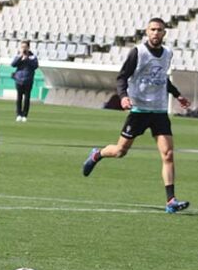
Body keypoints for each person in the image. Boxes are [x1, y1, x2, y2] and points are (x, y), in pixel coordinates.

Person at [81, 17, 191, 213]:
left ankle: (171, 200)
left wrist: (177, 95)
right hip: (138, 110)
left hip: (159, 111)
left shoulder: (167, 54)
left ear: (164, 33)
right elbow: (122, 77)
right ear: (147, 32)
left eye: (159, 30)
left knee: (168, 154)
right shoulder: (138, 52)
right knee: (120, 151)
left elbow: (162, 78)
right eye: (153, 29)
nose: (156, 33)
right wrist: (123, 97)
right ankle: (98, 154)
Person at [11, 40, 39, 122]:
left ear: (28, 47)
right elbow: (13, 64)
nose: (23, 48)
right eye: (22, 47)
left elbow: (35, 66)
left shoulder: (32, 57)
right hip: (19, 79)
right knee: (19, 98)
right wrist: (20, 57)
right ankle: (18, 114)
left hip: (28, 79)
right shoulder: (18, 55)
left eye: (25, 47)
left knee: (27, 98)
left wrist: (27, 59)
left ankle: (25, 115)